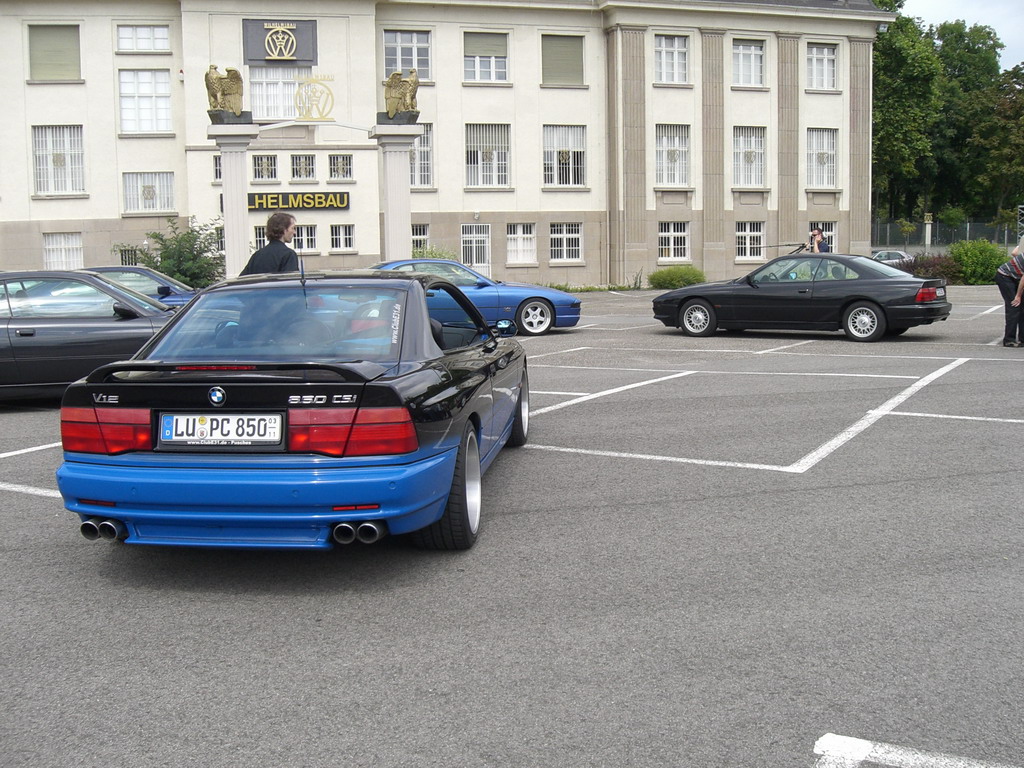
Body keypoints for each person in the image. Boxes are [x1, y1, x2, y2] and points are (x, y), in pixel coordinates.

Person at [996, 237, 1024, 347]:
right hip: (1005, 276)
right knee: (1014, 305)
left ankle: (1022, 339)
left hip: (1016, 277)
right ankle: (1009, 339)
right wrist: (1018, 296)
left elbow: (1015, 252)